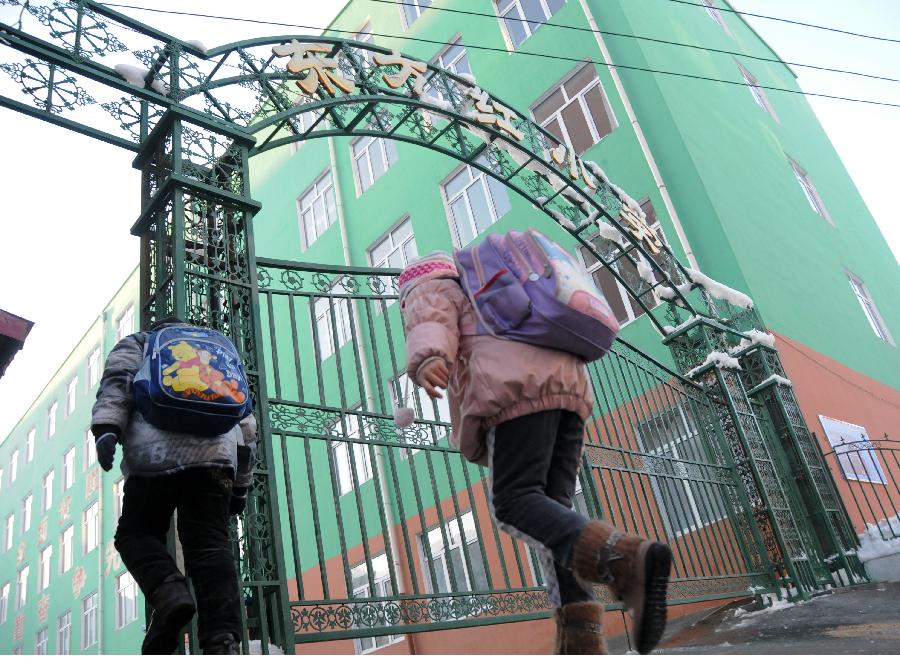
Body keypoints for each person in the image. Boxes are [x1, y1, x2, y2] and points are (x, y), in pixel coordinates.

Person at [398, 251, 672, 655]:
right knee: (551, 516)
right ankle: (582, 643)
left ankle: (623, 562)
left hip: (517, 389)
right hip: (569, 387)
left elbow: (431, 320)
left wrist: (427, 359)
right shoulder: (491, 284)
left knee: (514, 501)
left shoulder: (427, 282)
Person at [91, 317, 257, 655]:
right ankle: (222, 638)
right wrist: (241, 485)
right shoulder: (218, 350)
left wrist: (107, 428)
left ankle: (168, 591)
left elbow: (118, 383)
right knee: (210, 545)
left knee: (137, 534)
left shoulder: (138, 342)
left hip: (155, 454)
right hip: (216, 455)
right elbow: (246, 422)